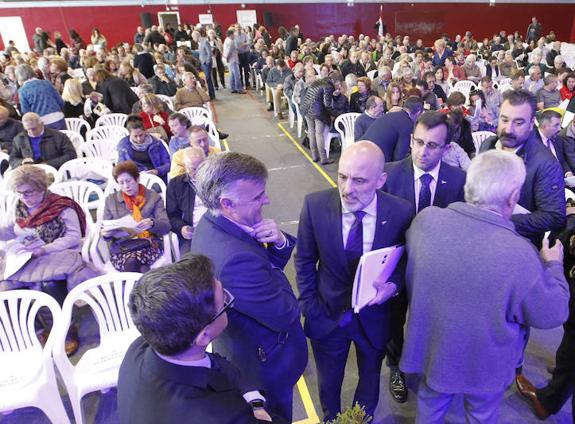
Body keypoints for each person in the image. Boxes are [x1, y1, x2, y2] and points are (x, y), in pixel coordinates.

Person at [400, 149, 569, 424]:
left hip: (433, 353)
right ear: (514, 198)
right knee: (481, 416)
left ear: (469, 184)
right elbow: (552, 313)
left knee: (429, 409)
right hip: (486, 366)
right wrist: (553, 265)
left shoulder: (424, 222)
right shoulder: (520, 254)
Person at [295, 141, 411, 421]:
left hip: (375, 318)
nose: (347, 189)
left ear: (381, 180)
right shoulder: (315, 205)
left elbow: (404, 261)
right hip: (328, 316)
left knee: (370, 378)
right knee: (329, 382)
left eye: (359, 181)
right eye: (342, 177)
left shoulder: (401, 212)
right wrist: (311, 308)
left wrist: (393, 286)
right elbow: (305, 260)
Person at [188, 152, 308, 422]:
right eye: (257, 197)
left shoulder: (211, 223)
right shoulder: (234, 259)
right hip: (267, 365)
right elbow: (285, 312)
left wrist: (278, 244)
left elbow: (263, 268)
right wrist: (275, 273)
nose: (266, 200)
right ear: (227, 203)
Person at [118, 255, 275, 424]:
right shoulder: (218, 417)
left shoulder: (142, 347)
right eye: (224, 301)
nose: (228, 300)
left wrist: (252, 397)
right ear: (204, 336)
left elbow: (214, 363)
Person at [381, 111, 466, 402]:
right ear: (410, 140)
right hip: (396, 265)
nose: (423, 151)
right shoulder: (389, 175)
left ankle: (429, 364)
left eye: (432, 145)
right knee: (394, 320)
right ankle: (396, 366)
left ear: (446, 148)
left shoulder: (459, 181)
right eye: (418, 142)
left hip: (438, 270)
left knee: (432, 320)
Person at [0, 165, 99, 355]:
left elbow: (72, 237)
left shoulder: (61, 205)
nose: (24, 198)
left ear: (41, 188)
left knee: (47, 284)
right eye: (20, 193)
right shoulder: (18, 206)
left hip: (59, 252)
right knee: (5, 288)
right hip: (27, 256)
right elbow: (7, 229)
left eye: (28, 193)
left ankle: (65, 329)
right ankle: (37, 329)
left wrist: (44, 249)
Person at [479, 89, 565, 245]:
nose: (508, 129)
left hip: (519, 245)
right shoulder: (488, 145)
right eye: (504, 120)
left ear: (532, 123)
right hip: (482, 238)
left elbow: (554, 216)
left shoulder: (546, 164)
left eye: (518, 123)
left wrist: (501, 220)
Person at [102, 160, 170, 273]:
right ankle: (146, 286)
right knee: (137, 264)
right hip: (122, 248)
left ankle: (132, 288)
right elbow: (106, 231)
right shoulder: (111, 200)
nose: (126, 186)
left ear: (137, 179)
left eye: (129, 181)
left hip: (149, 245)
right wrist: (106, 234)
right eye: (121, 183)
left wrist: (152, 223)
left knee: (132, 262)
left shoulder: (153, 197)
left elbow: (166, 226)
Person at [166, 147, 206, 255]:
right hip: (192, 234)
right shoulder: (175, 185)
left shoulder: (216, 181)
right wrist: (182, 228)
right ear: (186, 167)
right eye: (193, 169)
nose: (198, 172)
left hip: (217, 230)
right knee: (189, 265)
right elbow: (172, 216)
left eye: (201, 167)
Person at [300, 71, 345, 165]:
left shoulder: (319, 81)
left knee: (311, 131)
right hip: (317, 111)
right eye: (338, 83)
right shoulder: (328, 86)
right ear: (334, 81)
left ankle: (314, 156)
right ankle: (324, 158)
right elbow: (327, 105)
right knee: (319, 133)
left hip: (306, 108)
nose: (339, 85)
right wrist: (337, 114)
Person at [363, 96, 424, 162]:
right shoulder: (407, 124)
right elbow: (400, 157)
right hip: (373, 161)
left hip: (358, 152)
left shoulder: (389, 115)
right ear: (418, 113)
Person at [10, 112, 76, 170]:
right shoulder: (19, 139)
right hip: (30, 171)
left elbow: (71, 155)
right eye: (28, 129)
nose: (31, 132)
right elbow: (12, 159)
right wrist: (22, 161)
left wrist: (49, 164)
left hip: (54, 169)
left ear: (42, 124)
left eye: (34, 129)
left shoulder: (58, 136)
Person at [117, 116, 170, 182]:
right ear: (129, 134)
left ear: (145, 131)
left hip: (157, 177)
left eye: (141, 135)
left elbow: (168, 163)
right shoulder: (124, 146)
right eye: (135, 136)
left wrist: (157, 171)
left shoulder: (156, 143)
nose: (139, 139)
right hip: (135, 178)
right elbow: (121, 167)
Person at [15, 64, 66, 130]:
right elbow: (61, 102)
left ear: (19, 77)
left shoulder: (22, 91)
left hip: (41, 124)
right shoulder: (47, 83)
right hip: (58, 118)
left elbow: (27, 113)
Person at [534, 109, 574, 176]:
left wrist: (568, 172)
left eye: (560, 125)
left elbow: (562, 161)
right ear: (544, 126)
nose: (559, 129)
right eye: (556, 125)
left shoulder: (558, 139)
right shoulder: (531, 142)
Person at [223, 29, 244, 94]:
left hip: (230, 59)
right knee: (237, 75)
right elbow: (229, 51)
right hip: (233, 59)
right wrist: (227, 58)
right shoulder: (231, 42)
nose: (234, 35)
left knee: (232, 74)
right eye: (233, 34)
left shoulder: (226, 40)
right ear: (231, 35)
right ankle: (239, 89)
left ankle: (233, 88)